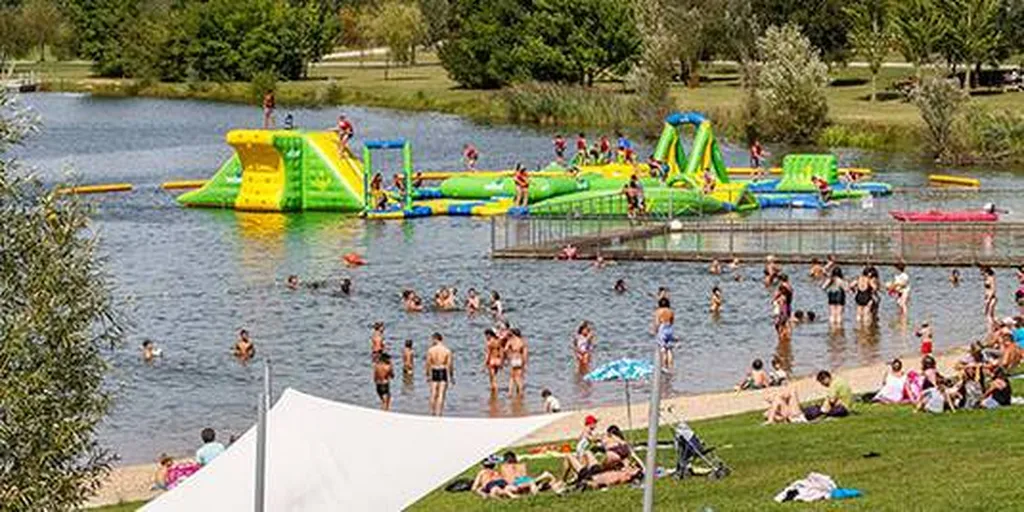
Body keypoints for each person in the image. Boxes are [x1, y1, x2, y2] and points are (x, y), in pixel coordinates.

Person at [426, 333, 454, 416]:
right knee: (441, 394)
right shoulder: (447, 350)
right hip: (442, 370)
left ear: (435, 339)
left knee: (433, 393)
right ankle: (439, 413)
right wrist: (451, 376)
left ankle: (432, 412)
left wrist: (428, 374)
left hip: (434, 369)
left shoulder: (430, 350)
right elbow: (449, 365)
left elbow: (428, 363)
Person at [653, 297, 675, 369]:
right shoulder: (670, 311)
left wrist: (655, 331)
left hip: (662, 328)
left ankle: (664, 366)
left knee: (663, 349)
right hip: (670, 328)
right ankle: (671, 367)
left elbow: (657, 322)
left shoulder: (658, 311)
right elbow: (672, 322)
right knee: (669, 349)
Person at [506, 328, 528, 398]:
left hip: (513, 359)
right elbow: (525, 354)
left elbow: (506, 349)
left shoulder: (511, 341)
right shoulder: (522, 341)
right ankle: (521, 392)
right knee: (519, 377)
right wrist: (525, 364)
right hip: (519, 359)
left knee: (512, 377)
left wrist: (509, 355)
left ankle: (510, 393)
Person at [484, 328, 505, 394]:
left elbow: (488, 354)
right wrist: (502, 361)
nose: (486, 337)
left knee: (492, 378)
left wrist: (485, 363)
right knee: (495, 376)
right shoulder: (498, 341)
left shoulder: (489, 343)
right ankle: (495, 390)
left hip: (492, 360)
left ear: (489, 335)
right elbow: (501, 352)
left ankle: (494, 391)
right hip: (498, 360)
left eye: (486, 335)